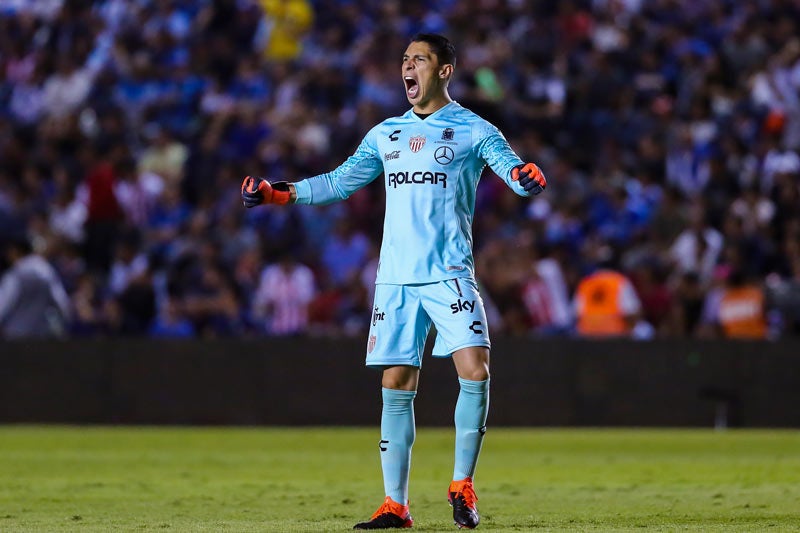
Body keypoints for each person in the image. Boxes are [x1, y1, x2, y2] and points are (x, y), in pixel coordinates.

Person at [240, 33, 546, 530]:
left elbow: (511, 171)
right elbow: (340, 180)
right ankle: (394, 505)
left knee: (476, 369)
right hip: (396, 279)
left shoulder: (474, 129)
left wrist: (525, 177)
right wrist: (281, 194)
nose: (408, 68)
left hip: (448, 273)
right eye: (404, 60)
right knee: (396, 384)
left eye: (418, 60)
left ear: (444, 70)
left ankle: (462, 483)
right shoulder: (387, 134)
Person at [0, 236, 71, 338]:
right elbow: (62, 304)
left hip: (15, 337)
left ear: (14, 251)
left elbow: (2, 306)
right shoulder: (47, 272)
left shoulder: (15, 275)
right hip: (41, 336)